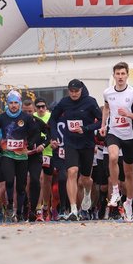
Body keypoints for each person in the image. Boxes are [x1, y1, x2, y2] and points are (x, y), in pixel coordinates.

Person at [100, 62, 133, 220]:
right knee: (113, 157)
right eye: (117, 74)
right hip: (113, 132)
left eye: (123, 74)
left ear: (127, 75)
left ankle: (129, 201)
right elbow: (106, 108)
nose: (120, 77)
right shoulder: (107, 92)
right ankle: (115, 191)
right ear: (113, 76)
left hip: (128, 135)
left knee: (129, 172)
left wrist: (129, 114)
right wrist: (103, 125)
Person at [48, 79, 102, 221]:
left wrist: (85, 128)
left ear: (81, 90)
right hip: (70, 142)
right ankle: (73, 209)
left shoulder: (90, 101)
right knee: (71, 172)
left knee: (85, 179)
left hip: (87, 144)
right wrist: (54, 136)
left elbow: (102, 121)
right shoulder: (64, 102)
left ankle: (87, 193)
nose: (74, 94)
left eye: (76, 91)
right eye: (71, 91)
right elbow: (53, 119)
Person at [0, 90, 42, 222]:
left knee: (21, 186)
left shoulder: (27, 118)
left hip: (22, 156)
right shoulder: (1, 118)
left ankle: (20, 211)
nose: (13, 105)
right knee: (9, 181)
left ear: (20, 103)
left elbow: (36, 133)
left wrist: (31, 143)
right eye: (10, 103)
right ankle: (10, 204)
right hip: (7, 154)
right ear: (7, 104)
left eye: (16, 103)